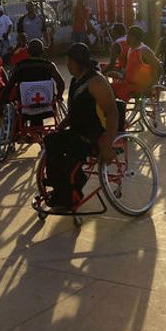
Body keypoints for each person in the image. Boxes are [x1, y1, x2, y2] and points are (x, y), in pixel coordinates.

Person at [42, 44, 120, 209]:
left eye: (70, 62)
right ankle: (60, 188)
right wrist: (61, 127)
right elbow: (74, 112)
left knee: (72, 150)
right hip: (78, 130)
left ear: (79, 62)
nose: (68, 65)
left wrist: (107, 143)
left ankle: (73, 189)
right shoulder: (76, 81)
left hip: (95, 134)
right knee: (51, 141)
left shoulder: (97, 82)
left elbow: (113, 113)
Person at [1, 38, 65, 125]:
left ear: (28, 51)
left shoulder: (20, 66)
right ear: (42, 52)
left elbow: (9, 85)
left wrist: (3, 101)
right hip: (47, 107)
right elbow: (60, 83)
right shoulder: (49, 66)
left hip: (24, 107)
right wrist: (59, 96)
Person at [107, 25, 160, 102]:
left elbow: (157, 66)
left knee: (110, 90)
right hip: (129, 83)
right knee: (107, 88)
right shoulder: (131, 50)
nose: (126, 37)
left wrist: (152, 85)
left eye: (128, 36)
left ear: (134, 38)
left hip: (140, 86)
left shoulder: (144, 51)